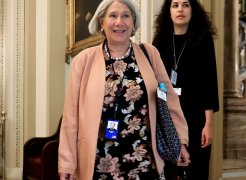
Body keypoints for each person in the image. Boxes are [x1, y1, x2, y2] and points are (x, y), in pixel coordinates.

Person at [58, 0, 190, 179]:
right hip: (98, 163)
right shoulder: (83, 60)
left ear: (133, 23)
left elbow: (171, 100)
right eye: (113, 16)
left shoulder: (149, 54)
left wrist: (181, 141)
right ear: (101, 22)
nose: (119, 22)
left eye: (126, 16)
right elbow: (71, 117)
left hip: (144, 161)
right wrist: (67, 162)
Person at [152, 0, 219, 179]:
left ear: (192, 10)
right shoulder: (159, 42)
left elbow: (209, 83)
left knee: (197, 169)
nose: (180, 9)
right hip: (167, 116)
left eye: (185, 4)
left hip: (196, 118)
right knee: (169, 170)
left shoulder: (204, 41)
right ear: (169, 11)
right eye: (175, 5)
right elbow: (153, 83)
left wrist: (209, 124)